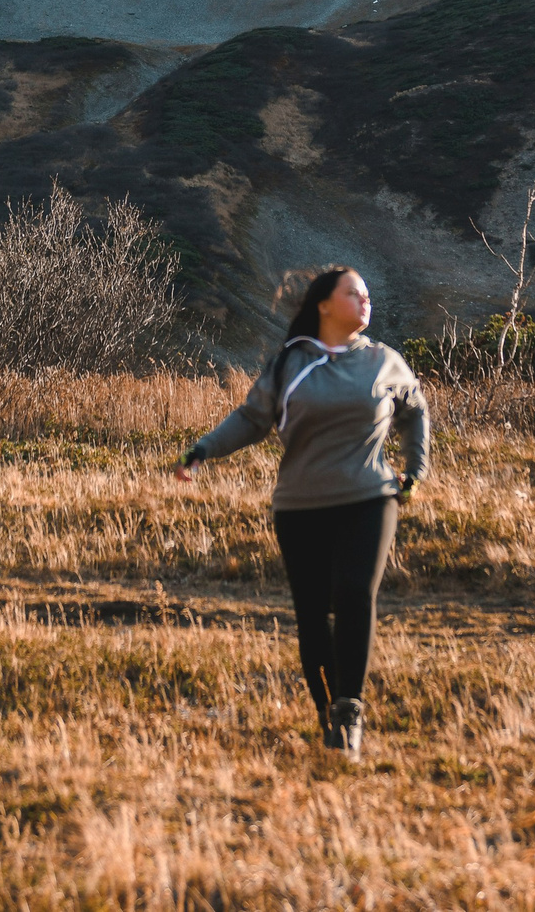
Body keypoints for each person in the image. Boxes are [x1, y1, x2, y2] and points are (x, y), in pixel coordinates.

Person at [175, 266, 429, 755]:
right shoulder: (290, 364)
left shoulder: (384, 361)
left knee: (354, 594)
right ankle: (327, 714)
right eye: (354, 293)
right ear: (324, 305)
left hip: (369, 497)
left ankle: (349, 711)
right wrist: (202, 450)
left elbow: (414, 412)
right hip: (300, 506)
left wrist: (413, 470)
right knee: (313, 615)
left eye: (367, 294)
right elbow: (251, 419)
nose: (366, 300)